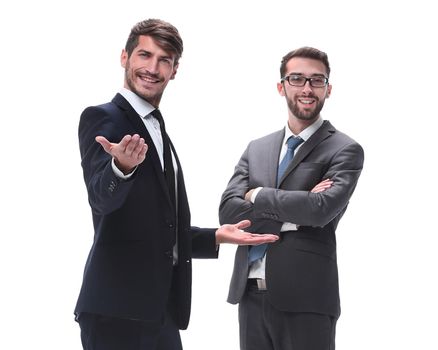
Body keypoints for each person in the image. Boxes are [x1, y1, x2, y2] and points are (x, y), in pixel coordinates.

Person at [74, 18, 278, 350]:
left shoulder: (157, 129)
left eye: (164, 60)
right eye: (144, 55)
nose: (152, 68)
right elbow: (101, 200)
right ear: (124, 57)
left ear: (174, 70)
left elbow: (157, 228)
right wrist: (120, 167)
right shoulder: (104, 118)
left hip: (160, 311)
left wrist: (214, 236)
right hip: (117, 310)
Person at [219, 46, 364, 350]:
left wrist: (257, 195)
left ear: (329, 89)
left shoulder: (344, 149)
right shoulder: (256, 148)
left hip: (307, 300)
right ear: (281, 86)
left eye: (317, 80)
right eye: (297, 79)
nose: (307, 88)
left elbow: (320, 211)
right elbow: (229, 213)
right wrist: (296, 207)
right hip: (250, 296)